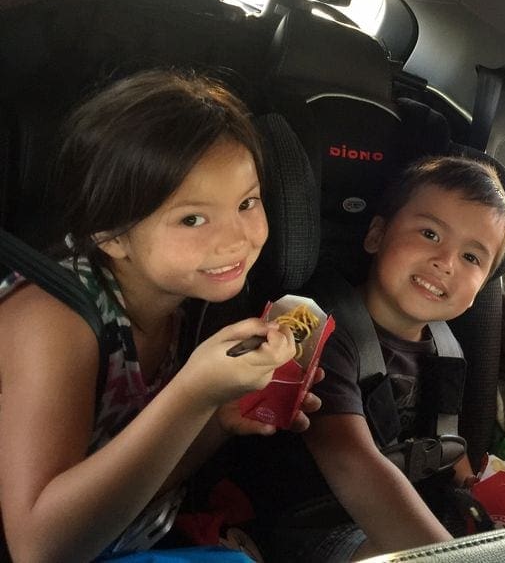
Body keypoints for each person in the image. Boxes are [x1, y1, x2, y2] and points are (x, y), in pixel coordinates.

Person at [0, 70, 314, 562]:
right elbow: (39, 550)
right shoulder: (54, 319)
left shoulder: (183, 301)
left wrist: (217, 421)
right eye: (192, 218)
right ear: (111, 236)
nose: (236, 238)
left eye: (247, 202)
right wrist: (193, 396)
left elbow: (131, 485)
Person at [237, 155, 505, 562]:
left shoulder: (447, 348)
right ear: (376, 235)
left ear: (482, 289)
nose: (446, 262)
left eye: (472, 257)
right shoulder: (318, 327)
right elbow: (351, 461)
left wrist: (479, 497)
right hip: (316, 522)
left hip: (404, 512)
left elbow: (448, 443)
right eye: (430, 233)